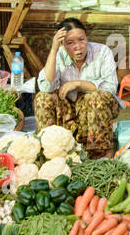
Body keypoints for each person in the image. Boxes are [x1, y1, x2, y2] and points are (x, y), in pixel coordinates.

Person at [34, 18, 119, 156]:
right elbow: (45, 87)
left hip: (97, 108)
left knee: (95, 97)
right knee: (42, 98)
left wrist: (78, 83)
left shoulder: (102, 52)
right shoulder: (59, 54)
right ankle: (49, 150)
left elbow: (110, 88)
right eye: (70, 43)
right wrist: (54, 50)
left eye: (82, 39)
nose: (78, 46)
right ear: (62, 44)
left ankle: (97, 153)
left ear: (87, 37)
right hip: (69, 108)